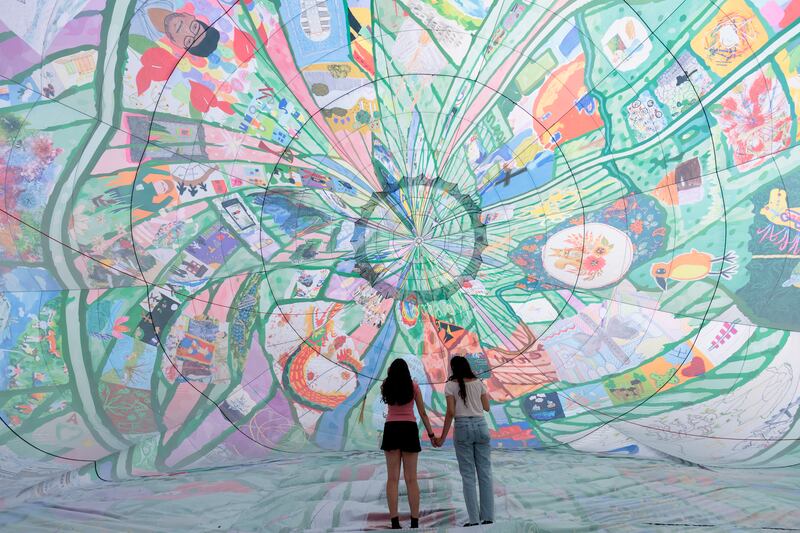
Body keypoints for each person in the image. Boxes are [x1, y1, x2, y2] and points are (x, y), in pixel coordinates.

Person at [433, 356, 494, 527]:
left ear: (453, 369)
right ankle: (488, 517)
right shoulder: (479, 383)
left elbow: (451, 412)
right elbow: (486, 407)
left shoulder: (450, 386)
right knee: (485, 473)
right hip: (481, 427)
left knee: (468, 475)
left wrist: (442, 437)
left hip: (463, 428)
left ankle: (474, 519)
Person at [380, 358, 434, 529]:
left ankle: (395, 522)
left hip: (391, 429)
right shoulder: (413, 386)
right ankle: (414, 522)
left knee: (392, 479)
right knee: (412, 479)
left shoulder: (386, 386)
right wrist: (431, 434)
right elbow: (423, 413)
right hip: (409, 429)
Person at [131, 1, 220, 57]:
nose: (185, 30)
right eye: (195, 27)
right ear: (190, 16)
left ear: (178, 45)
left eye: (189, 41)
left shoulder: (140, 38)